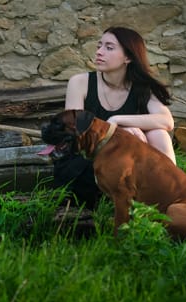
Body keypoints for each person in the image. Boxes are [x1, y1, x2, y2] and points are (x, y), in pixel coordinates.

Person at [53, 26, 176, 209]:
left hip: (125, 163)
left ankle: (170, 196)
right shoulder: (80, 83)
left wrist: (118, 121)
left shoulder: (141, 87)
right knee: (133, 137)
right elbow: (75, 133)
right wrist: (120, 133)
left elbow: (167, 121)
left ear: (128, 57)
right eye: (99, 46)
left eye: (109, 48)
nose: (100, 52)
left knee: (159, 134)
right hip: (86, 162)